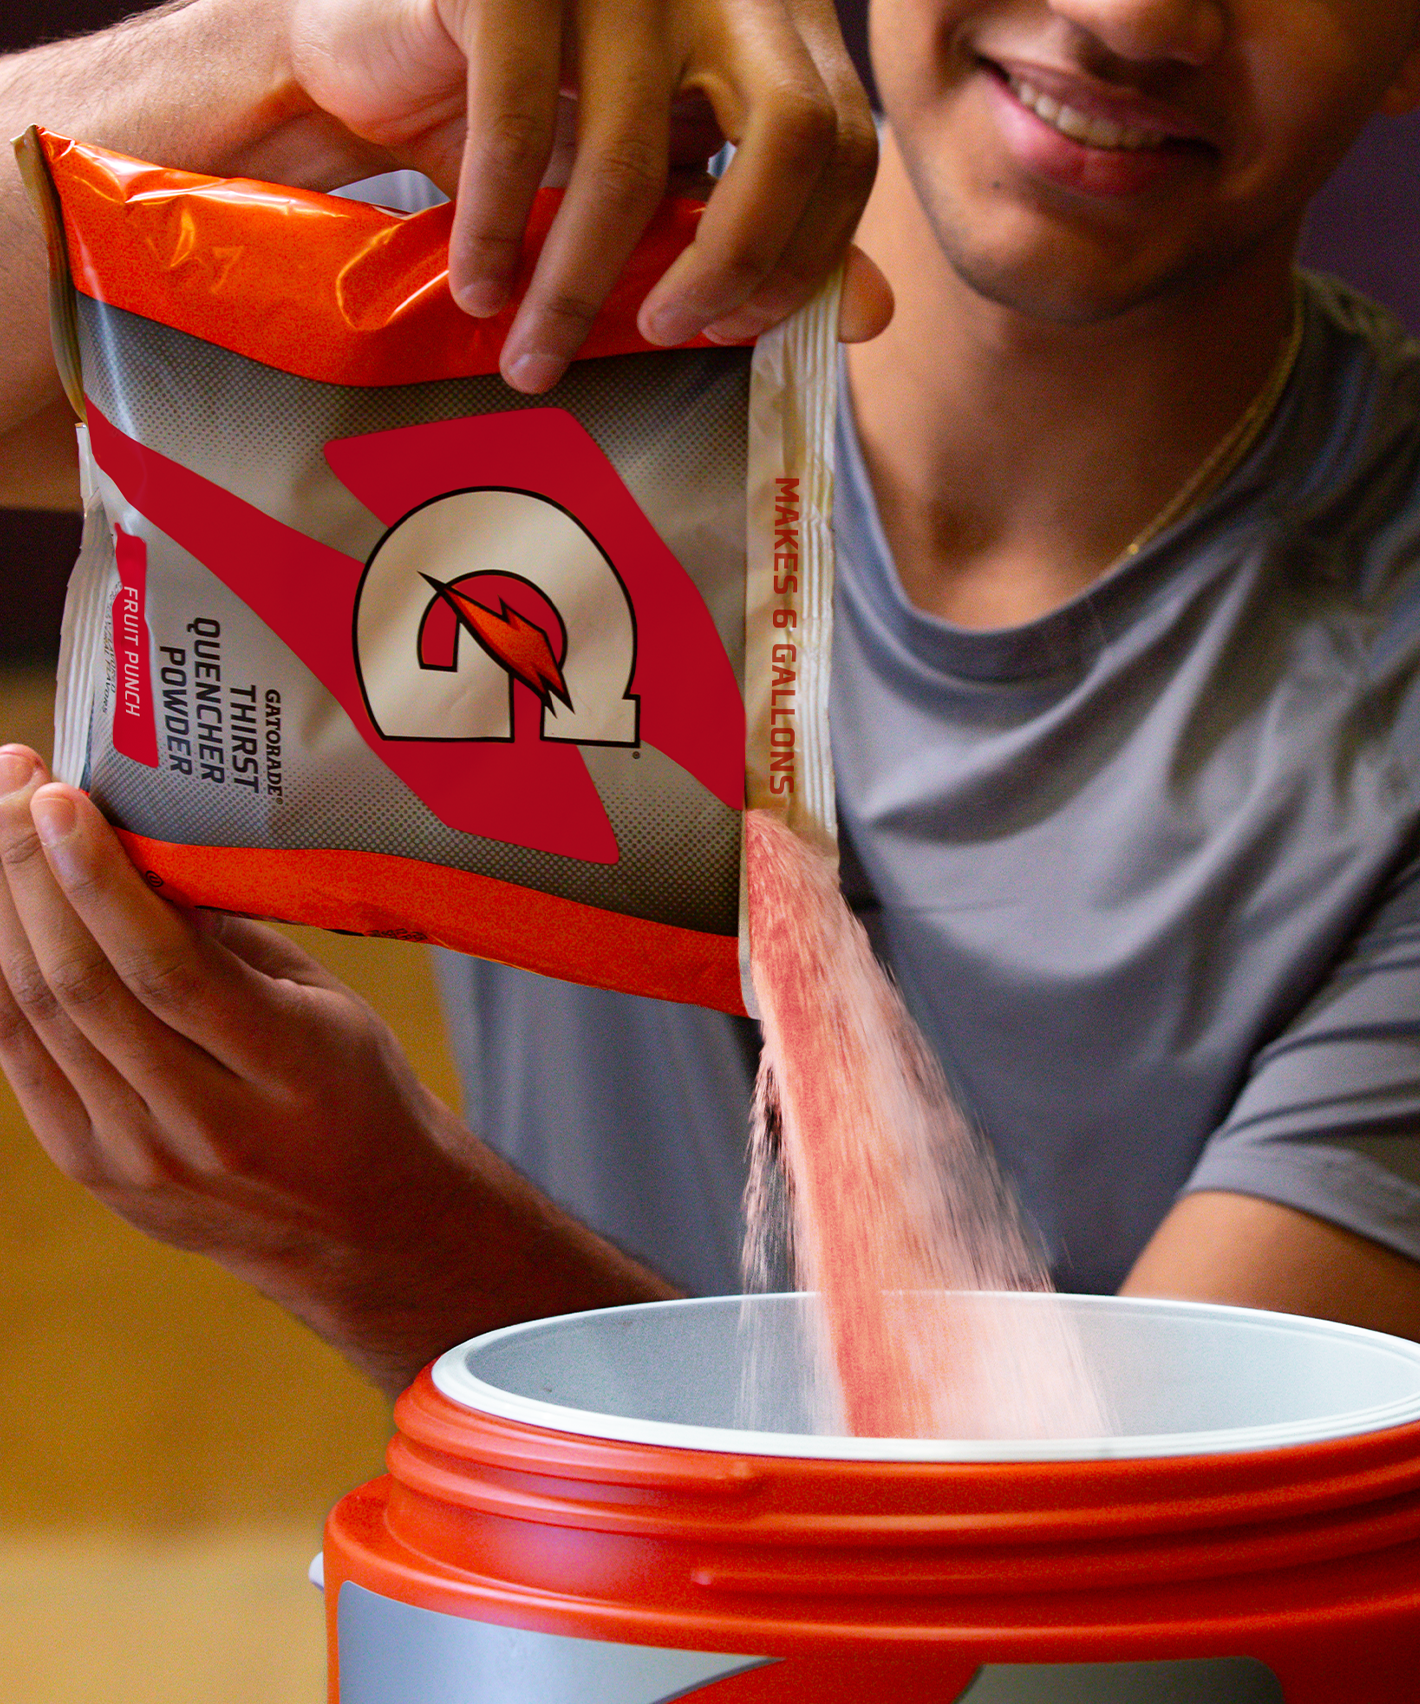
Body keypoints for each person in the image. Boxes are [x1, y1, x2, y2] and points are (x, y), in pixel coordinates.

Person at [4, 0, 1420, 1404]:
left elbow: (1119, 1596)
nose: (1128, 16)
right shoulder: (548, 269)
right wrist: (294, 63)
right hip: (525, 1615)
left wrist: (386, 1231)